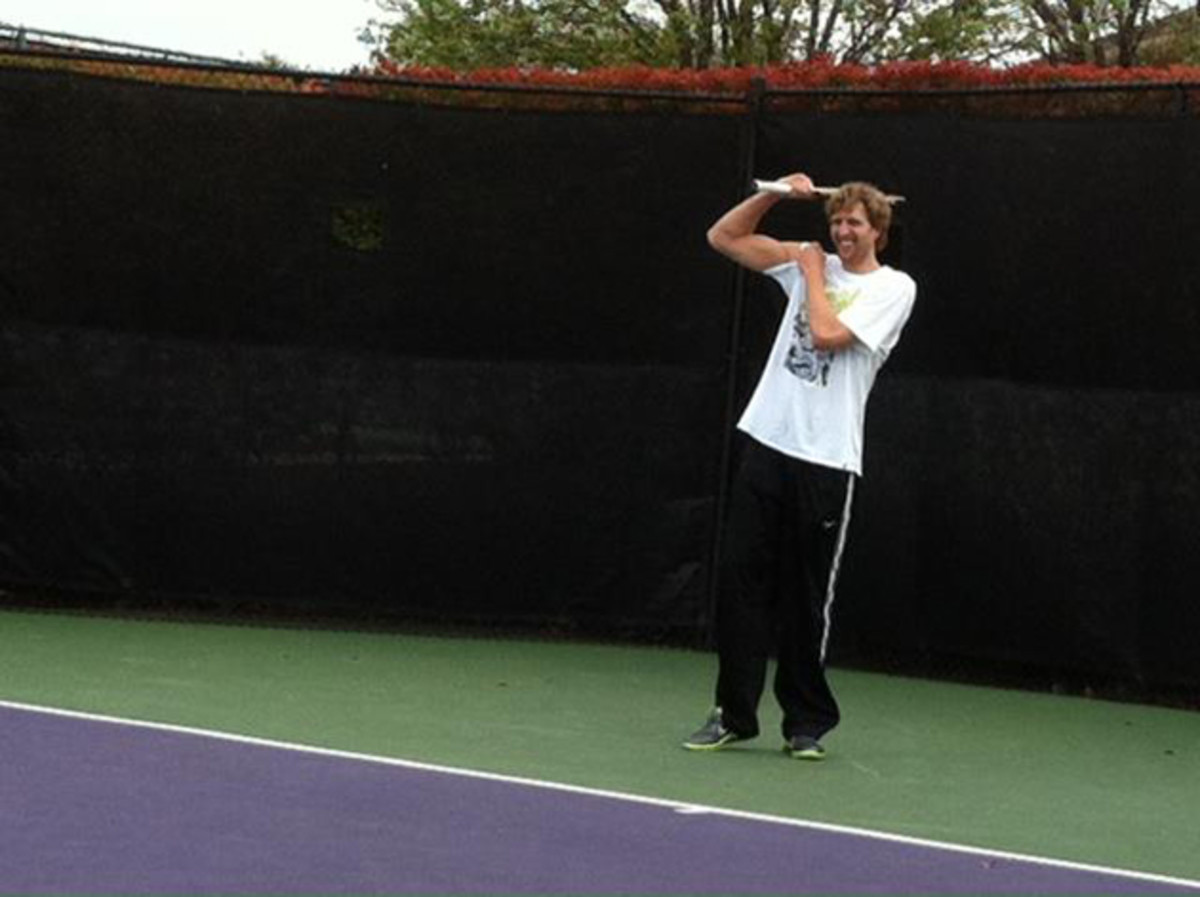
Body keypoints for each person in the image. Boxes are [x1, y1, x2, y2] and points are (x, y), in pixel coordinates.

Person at [683, 172, 916, 760]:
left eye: (854, 223)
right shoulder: (805, 261)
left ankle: (805, 724)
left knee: (805, 597)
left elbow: (829, 332)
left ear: (877, 231)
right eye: (836, 221)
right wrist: (777, 196)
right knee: (739, 582)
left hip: (827, 460)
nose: (841, 231)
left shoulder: (893, 289)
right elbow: (724, 236)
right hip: (768, 443)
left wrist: (811, 273)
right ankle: (733, 714)